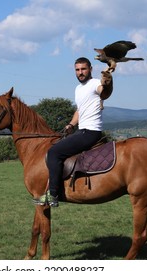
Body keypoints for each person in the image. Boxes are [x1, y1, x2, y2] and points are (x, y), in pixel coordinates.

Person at [35, 57, 113, 207]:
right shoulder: (78, 89)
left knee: (54, 153)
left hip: (90, 132)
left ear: (90, 68)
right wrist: (71, 124)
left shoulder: (95, 83)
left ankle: (53, 195)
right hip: (81, 130)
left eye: (83, 69)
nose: (80, 72)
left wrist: (109, 83)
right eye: (77, 70)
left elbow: (104, 93)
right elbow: (79, 110)